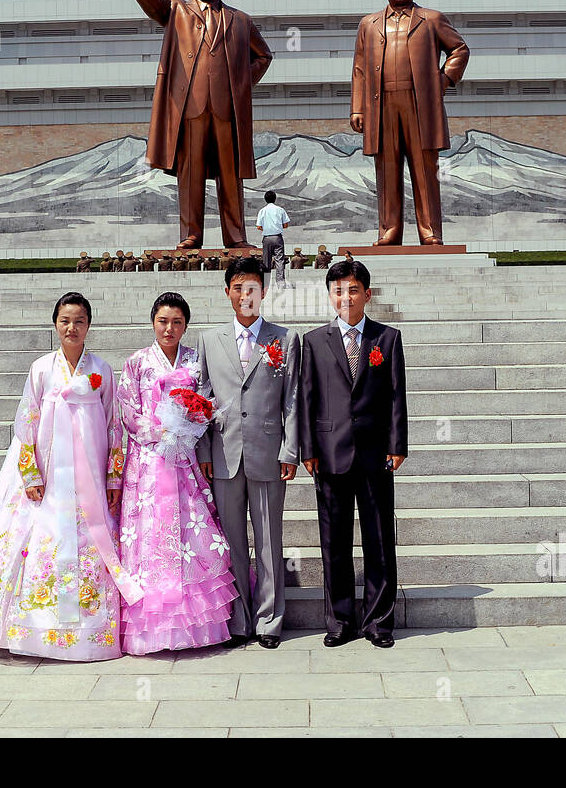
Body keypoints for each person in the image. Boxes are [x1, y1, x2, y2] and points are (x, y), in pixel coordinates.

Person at [0, 292, 137, 659]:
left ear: (89, 325)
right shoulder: (41, 369)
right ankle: (34, 626)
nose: (72, 327)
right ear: (55, 324)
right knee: (40, 539)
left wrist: (114, 478)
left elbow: (114, 426)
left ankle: (88, 628)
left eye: (79, 321)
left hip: (89, 478)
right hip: (50, 477)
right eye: (65, 320)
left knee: (90, 540)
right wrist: (30, 474)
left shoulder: (101, 370)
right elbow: (26, 424)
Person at [119, 0, 273, 250]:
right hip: (189, 107)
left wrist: (240, 84)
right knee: (190, 175)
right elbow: (151, 0)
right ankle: (191, 235)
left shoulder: (240, 20)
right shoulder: (176, 11)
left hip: (226, 109)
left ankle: (236, 236)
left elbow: (264, 56)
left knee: (230, 175)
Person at [114, 292, 239, 654]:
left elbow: (205, 405)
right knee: (149, 536)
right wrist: (159, 432)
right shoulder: (137, 363)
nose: (170, 328)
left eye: (177, 322)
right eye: (163, 321)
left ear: (186, 325)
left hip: (184, 459)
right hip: (149, 465)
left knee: (190, 532)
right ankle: (149, 627)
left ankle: (197, 624)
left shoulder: (195, 362)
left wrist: (188, 427)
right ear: (153, 321)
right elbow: (127, 411)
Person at [298, 260, 407, 648]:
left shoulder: (387, 339)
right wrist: (307, 449)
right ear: (330, 295)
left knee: (379, 539)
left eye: (353, 290)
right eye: (338, 291)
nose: (346, 298)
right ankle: (340, 621)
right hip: (329, 454)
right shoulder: (312, 341)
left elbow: (396, 396)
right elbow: (306, 398)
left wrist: (398, 446)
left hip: (376, 454)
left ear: (367, 294)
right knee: (335, 541)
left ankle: (379, 621)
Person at [195, 256, 301, 649]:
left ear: (264, 292)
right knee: (233, 541)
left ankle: (269, 621)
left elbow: (292, 398)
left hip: (268, 453)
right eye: (238, 288)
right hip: (223, 453)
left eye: (252, 288)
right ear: (227, 293)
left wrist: (290, 450)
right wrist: (204, 449)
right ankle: (238, 618)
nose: (245, 295)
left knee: (270, 539)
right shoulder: (209, 340)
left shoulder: (284, 339)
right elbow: (201, 400)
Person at [350, 0, 469, 245]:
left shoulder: (431, 19)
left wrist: (442, 81)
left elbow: (459, 49)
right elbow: (359, 68)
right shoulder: (369, 23)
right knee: (387, 169)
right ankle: (389, 231)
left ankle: (430, 231)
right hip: (382, 104)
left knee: (425, 169)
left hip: (420, 105)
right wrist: (357, 107)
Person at [255, 189, 291, 288]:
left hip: (267, 238)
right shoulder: (280, 210)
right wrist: (278, 227)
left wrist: (266, 228)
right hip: (277, 237)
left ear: (265, 199)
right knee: (279, 260)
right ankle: (280, 282)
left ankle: (265, 283)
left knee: (266, 261)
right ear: (275, 199)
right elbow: (286, 224)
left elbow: (258, 226)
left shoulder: (262, 210)